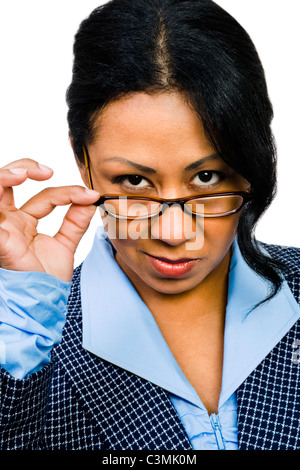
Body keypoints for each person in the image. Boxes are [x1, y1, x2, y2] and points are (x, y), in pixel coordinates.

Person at [0, 0, 299, 451]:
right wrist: (21, 326)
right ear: (83, 162)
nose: (175, 233)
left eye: (206, 177)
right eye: (135, 181)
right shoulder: (30, 333)